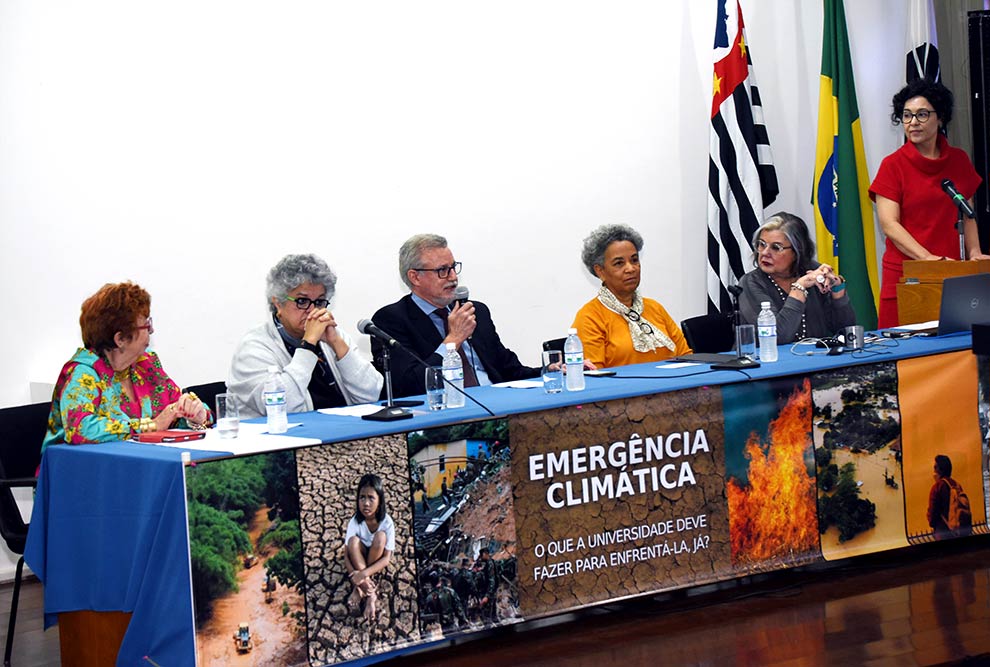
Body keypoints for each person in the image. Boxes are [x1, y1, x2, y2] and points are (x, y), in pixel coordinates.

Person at [869, 79, 989, 328]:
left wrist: (975, 252)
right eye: (907, 115)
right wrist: (927, 258)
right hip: (908, 276)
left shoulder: (958, 159)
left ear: (940, 118)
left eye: (922, 115)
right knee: (903, 354)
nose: (913, 122)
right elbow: (889, 224)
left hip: (952, 274)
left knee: (953, 350)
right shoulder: (893, 165)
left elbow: (967, 214)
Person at [42, 282, 211, 454]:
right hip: (85, 471)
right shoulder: (83, 372)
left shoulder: (146, 364)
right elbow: (80, 429)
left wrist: (195, 416)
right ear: (120, 339)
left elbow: (174, 411)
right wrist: (151, 425)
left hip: (142, 461)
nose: (151, 331)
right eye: (146, 325)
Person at [371, 234, 539, 398]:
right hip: (445, 412)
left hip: (496, 402)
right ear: (415, 277)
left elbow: (509, 369)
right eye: (442, 270)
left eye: (453, 267)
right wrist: (454, 339)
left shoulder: (474, 311)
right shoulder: (390, 321)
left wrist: (547, 370)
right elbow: (409, 385)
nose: (453, 277)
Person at [228, 254, 382, 419]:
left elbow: (371, 395)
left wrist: (337, 343)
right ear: (278, 303)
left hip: (341, 436)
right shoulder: (254, 347)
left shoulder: (332, 336)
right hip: (281, 441)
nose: (312, 310)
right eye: (302, 301)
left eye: (320, 302)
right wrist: (308, 344)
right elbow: (282, 408)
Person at [572, 224, 691, 368]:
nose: (631, 268)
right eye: (619, 263)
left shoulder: (655, 308)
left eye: (634, 260)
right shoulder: (590, 317)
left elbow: (686, 356)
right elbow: (594, 374)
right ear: (600, 271)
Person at [737, 212, 857, 344]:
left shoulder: (812, 272)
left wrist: (837, 289)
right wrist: (799, 288)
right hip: (770, 362)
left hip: (817, 358)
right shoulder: (750, 283)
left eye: (776, 247)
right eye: (762, 244)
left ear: (797, 251)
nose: (765, 253)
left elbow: (845, 332)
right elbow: (777, 338)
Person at [344, 473, 395, 622]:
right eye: (362, 497)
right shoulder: (354, 521)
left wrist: (361, 575)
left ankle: (359, 589)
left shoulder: (387, 523)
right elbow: (346, 555)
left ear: (380, 501)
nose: (366, 503)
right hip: (359, 556)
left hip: (375, 557)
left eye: (371, 498)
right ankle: (370, 594)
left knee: (380, 538)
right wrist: (356, 576)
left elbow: (386, 559)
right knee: (353, 541)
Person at [926, 454, 972, 540]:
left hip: (943, 533)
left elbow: (932, 516)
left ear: (939, 469)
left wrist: (931, 520)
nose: (934, 470)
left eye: (935, 467)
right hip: (960, 532)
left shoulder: (937, 487)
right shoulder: (956, 485)